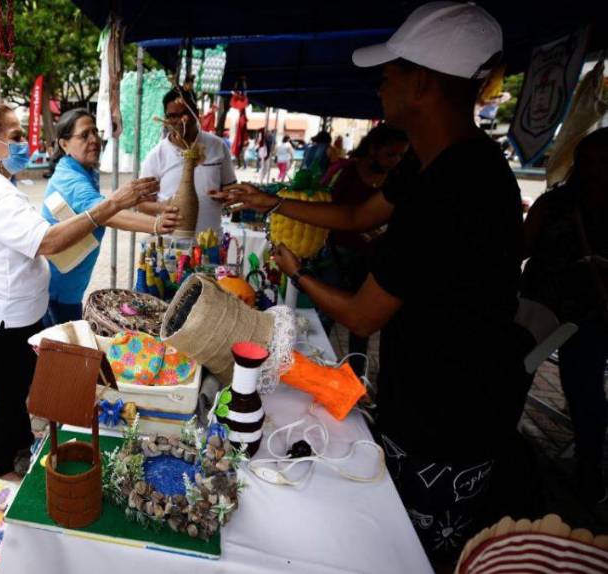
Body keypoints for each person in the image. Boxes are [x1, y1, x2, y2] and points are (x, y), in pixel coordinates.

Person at [215, 3, 526, 565]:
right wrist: (275, 201)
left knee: (415, 552)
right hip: (423, 388)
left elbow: (361, 316)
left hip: (453, 413)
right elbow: (358, 218)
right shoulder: (430, 162)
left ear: (424, 83)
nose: (380, 85)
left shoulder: (457, 190)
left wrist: (299, 273)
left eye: (390, 73)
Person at [0, 103, 157, 481]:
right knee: (8, 391)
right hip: (0, 316)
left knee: (15, 386)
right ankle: (1, 466)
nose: (23, 145)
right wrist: (114, 204)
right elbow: (45, 241)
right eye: (15, 137)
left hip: (12, 312)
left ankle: (18, 444)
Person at [520, 127, 608, 504]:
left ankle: (590, 473)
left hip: (590, 316)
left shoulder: (561, 203)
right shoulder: (555, 203)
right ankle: (507, 449)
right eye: (588, 160)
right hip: (541, 309)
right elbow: (521, 247)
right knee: (518, 374)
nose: (594, 169)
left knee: (585, 392)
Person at [42, 109, 179, 325]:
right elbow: (105, 213)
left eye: (95, 132)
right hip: (57, 293)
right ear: (64, 144)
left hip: (68, 289)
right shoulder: (69, 179)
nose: (94, 139)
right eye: (84, 135)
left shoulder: (83, 171)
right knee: (62, 353)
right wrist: (156, 224)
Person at [316, 124, 409, 375]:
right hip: (338, 255)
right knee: (325, 315)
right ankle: (314, 366)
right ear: (373, 149)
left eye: (401, 155)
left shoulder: (396, 180)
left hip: (372, 260)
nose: (396, 160)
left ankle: (356, 377)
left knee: (360, 327)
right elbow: (327, 206)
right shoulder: (345, 172)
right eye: (391, 154)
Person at [138, 87, 237, 237]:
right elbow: (141, 204)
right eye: (172, 116)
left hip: (209, 241)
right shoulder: (156, 156)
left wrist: (226, 196)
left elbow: (231, 189)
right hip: (170, 244)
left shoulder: (218, 146)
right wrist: (163, 207)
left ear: (195, 113)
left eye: (184, 113)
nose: (179, 120)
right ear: (166, 119)